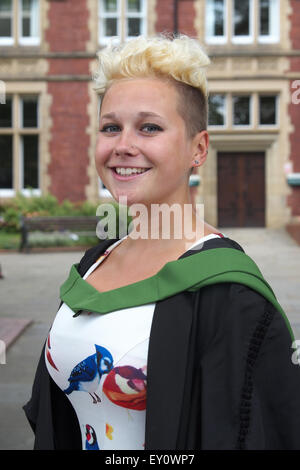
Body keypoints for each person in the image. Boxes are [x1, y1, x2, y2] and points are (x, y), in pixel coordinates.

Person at [24, 34, 300, 451]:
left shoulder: (230, 296)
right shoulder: (94, 263)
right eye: (110, 127)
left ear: (198, 148)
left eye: (149, 127)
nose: (123, 146)